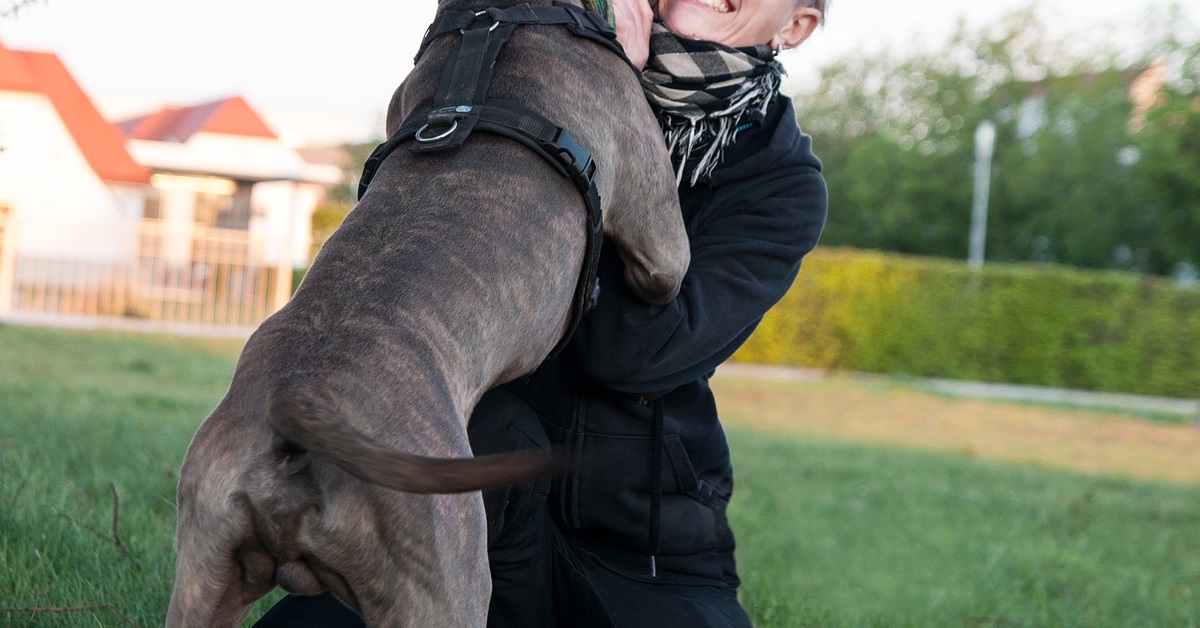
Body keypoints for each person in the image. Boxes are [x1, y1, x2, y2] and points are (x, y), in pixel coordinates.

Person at [256, 0, 827, 625]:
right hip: (467, 486)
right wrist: (599, 71)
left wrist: (615, 100)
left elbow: (632, 355)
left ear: (795, 26)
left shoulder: (780, 182)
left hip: (644, 551)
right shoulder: (528, 70)